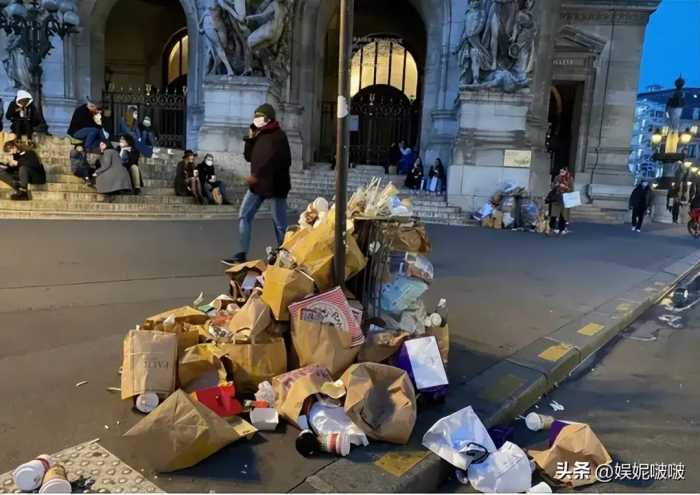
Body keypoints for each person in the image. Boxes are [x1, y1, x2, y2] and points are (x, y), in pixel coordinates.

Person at [222, 103, 291, 264]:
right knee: (244, 215)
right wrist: (250, 138)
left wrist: (259, 174)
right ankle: (241, 253)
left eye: (259, 117)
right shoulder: (258, 135)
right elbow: (248, 157)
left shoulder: (279, 136)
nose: (256, 120)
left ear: (268, 118)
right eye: (255, 117)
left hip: (276, 185)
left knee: (279, 224)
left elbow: (284, 161)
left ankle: (285, 255)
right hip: (258, 185)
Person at [546, 166, 573, 235]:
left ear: (566, 171)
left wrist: (565, 187)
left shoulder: (570, 179)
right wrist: (556, 185)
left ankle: (562, 229)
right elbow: (552, 187)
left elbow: (571, 190)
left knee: (563, 215)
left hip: (565, 199)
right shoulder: (557, 177)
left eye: (563, 172)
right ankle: (551, 229)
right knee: (553, 214)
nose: (561, 173)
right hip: (556, 198)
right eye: (560, 172)